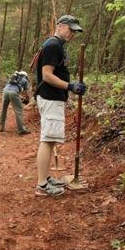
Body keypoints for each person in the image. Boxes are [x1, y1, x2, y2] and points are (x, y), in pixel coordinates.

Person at [35, 15, 87, 197]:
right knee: (47, 140)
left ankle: (46, 178)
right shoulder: (53, 45)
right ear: (60, 26)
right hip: (50, 98)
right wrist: (70, 86)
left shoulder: (57, 45)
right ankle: (42, 185)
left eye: (74, 31)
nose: (72, 33)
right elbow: (47, 75)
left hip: (52, 98)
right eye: (70, 29)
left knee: (49, 140)